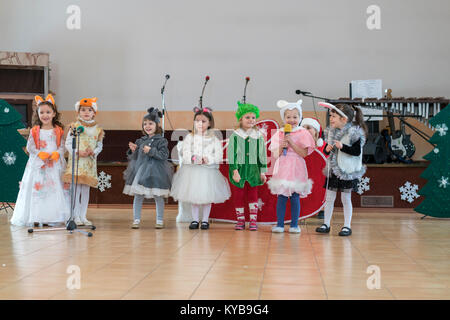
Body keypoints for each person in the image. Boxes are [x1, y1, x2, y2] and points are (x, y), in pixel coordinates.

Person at [10, 94, 70, 226]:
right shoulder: (35, 130)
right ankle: (36, 216)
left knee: (53, 189)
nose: (45, 115)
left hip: (54, 165)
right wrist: (39, 154)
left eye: (48, 112)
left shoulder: (58, 130)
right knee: (38, 189)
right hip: (38, 164)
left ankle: (52, 216)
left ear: (54, 113)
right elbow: (30, 146)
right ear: (37, 113)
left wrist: (57, 154)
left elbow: (62, 146)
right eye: (42, 112)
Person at [170, 107, 231, 230]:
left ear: (209, 123)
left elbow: (218, 155)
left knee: (207, 196)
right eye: (197, 121)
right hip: (193, 171)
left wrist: (207, 159)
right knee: (194, 197)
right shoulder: (189, 138)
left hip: (208, 171)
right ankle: (194, 220)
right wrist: (192, 158)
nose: (200, 123)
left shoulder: (213, 139)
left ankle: (204, 220)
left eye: (203, 121)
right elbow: (185, 153)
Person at [315, 103, 367, 236]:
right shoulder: (331, 132)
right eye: (330, 116)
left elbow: (356, 151)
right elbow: (329, 153)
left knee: (345, 198)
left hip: (346, 172)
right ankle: (326, 223)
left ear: (344, 119)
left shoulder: (353, 133)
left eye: (334, 116)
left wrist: (343, 146)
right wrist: (327, 150)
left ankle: (347, 226)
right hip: (333, 170)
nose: (331, 119)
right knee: (329, 198)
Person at [268, 100, 315, 233]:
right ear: (284, 118)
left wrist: (292, 143)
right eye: (288, 117)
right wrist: (282, 145)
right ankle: (280, 224)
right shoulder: (279, 133)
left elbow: (304, 153)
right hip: (282, 165)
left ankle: (294, 225)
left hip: (296, 166)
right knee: (282, 196)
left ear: (300, 118)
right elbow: (275, 154)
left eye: (295, 117)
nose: (292, 120)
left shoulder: (303, 133)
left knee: (294, 195)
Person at [123, 108, 172, 229]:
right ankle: (136, 219)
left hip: (156, 172)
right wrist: (133, 150)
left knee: (158, 195)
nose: (147, 126)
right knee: (138, 195)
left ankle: (160, 220)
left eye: (150, 123)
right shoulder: (140, 141)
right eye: (145, 124)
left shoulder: (161, 140)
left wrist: (151, 151)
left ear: (157, 125)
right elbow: (134, 157)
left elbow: (164, 155)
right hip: (141, 172)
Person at [63, 97, 104, 226]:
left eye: (89, 110)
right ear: (78, 112)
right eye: (83, 110)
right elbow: (68, 143)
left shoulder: (98, 130)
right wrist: (77, 151)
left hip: (89, 163)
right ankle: (74, 216)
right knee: (76, 190)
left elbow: (99, 145)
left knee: (85, 190)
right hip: (77, 163)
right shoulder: (74, 127)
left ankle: (83, 215)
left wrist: (94, 151)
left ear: (94, 113)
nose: (86, 112)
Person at [227, 101, 267, 231]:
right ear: (241, 119)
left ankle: (253, 220)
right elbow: (232, 154)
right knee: (238, 195)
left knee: (253, 195)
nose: (251, 120)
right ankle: (240, 220)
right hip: (240, 170)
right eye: (247, 117)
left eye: (253, 117)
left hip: (254, 171)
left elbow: (262, 155)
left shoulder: (258, 136)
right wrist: (235, 171)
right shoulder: (235, 135)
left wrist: (262, 171)